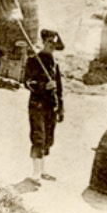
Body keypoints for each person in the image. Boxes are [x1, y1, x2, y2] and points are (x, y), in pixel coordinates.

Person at [23, 28, 65, 183]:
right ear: (43, 42)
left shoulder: (55, 62)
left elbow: (59, 88)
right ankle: (35, 173)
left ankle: (43, 170)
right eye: (49, 42)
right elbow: (27, 82)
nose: (52, 46)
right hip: (37, 105)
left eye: (54, 43)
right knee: (38, 138)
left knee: (48, 138)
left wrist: (61, 108)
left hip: (51, 106)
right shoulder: (34, 60)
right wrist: (43, 86)